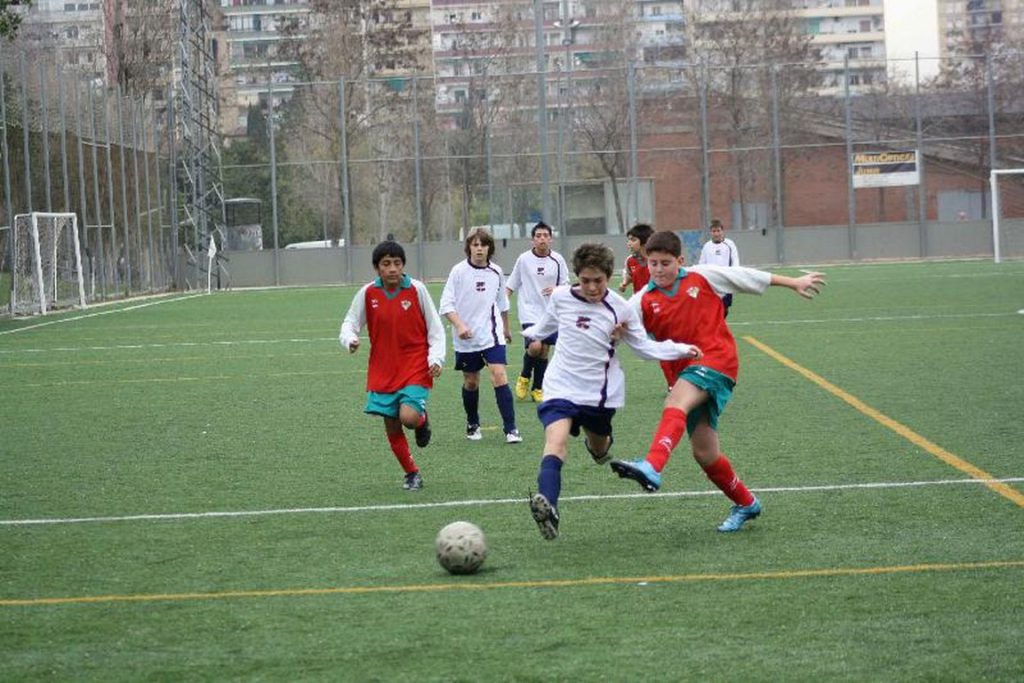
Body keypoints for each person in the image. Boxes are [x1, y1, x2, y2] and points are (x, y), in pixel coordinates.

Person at [610, 230, 825, 532]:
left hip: (716, 359)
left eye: (665, 263)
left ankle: (652, 465)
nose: (658, 270)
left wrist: (794, 283)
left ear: (680, 261)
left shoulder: (702, 276)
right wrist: (614, 332)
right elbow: (618, 329)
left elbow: (745, 277)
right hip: (684, 373)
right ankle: (746, 503)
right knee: (705, 453)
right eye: (653, 263)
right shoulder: (642, 299)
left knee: (675, 402)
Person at [523, 242, 703, 540]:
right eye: (585, 281)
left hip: (597, 393)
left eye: (598, 281)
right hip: (560, 384)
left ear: (609, 276)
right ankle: (549, 505)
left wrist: (681, 348)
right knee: (554, 443)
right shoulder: (560, 297)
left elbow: (644, 348)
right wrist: (533, 338)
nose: (592, 287)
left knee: (599, 449)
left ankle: (601, 446)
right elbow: (544, 326)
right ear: (576, 277)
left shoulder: (621, 308)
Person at [339, 240, 445, 491]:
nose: (393, 269)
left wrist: (436, 359)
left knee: (407, 417)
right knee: (392, 424)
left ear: (403, 265)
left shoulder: (416, 290)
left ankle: (421, 420)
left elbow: (436, 329)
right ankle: (411, 473)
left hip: (415, 365)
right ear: (377, 268)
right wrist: (350, 340)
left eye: (397, 263)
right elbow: (350, 322)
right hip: (383, 368)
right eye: (386, 264)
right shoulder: (368, 293)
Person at [439, 228, 522, 444]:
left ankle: (511, 429)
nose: (479, 248)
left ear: (489, 248)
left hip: (491, 335)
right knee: (471, 381)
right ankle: (473, 422)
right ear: (469, 248)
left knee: (499, 375)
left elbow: (502, 303)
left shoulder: (496, 272)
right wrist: (459, 326)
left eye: (483, 245)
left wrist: (505, 328)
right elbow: (446, 305)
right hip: (466, 338)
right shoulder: (458, 272)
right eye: (475, 245)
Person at [506, 221, 570, 404]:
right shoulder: (524, 259)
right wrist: (502, 304)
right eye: (538, 236)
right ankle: (524, 376)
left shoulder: (557, 260)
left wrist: (556, 289)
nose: (542, 239)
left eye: (545, 236)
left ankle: (537, 388)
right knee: (535, 346)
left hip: (550, 311)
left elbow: (566, 284)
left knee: (544, 351)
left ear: (551, 239)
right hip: (529, 310)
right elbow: (511, 284)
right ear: (532, 240)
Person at [698, 218, 740, 317]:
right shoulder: (706, 246)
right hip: (711, 282)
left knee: (724, 309)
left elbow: (735, 261)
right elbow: (701, 264)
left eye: (718, 231)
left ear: (722, 231)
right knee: (712, 308)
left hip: (725, 281)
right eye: (714, 231)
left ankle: (718, 327)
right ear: (710, 232)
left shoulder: (729, 244)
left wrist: (734, 276)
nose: (716, 234)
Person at [618, 223, 654, 295]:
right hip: (638, 301)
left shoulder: (657, 260)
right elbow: (630, 275)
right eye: (629, 240)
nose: (629, 243)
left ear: (645, 241)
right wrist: (624, 283)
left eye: (633, 240)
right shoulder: (630, 260)